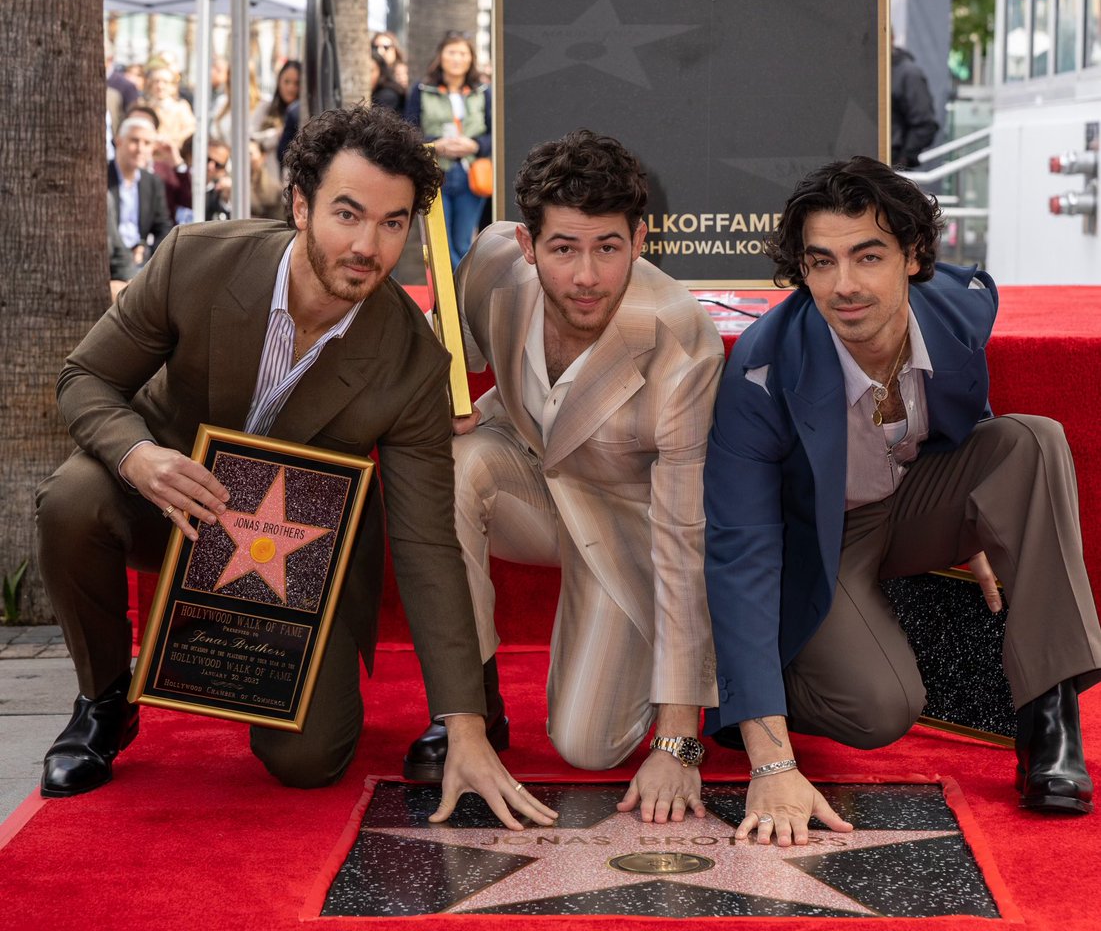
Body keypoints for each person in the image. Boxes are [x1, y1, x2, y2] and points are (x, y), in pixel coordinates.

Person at [35, 103, 557, 834]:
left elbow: (427, 543)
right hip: (172, 504)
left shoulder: (409, 362)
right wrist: (139, 455)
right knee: (72, 498)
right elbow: (84, 377)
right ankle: (104, 703)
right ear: (302, 205)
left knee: (309, 762)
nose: (367, 245)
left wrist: (463, 723)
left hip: (297, 558)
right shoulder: (196, 260)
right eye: (348, 214)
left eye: (392, 223)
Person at [704, 156, 1101, 847]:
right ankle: (755, 678)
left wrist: (981, 521)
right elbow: (739, 552)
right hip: (818, 544)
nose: (844, 285)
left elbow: (966, 421)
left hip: (911, 496)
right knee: (879, 710)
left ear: (913, 256)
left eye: (867, 256)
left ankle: (1047, 719)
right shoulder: (761, 372)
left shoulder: (959, 306)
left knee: (1030, 441)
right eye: (820, 262)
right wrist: (767, 752)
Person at [403, 129, 725, 823]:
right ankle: (470, 704)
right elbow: (444, 342)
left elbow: (680, 540)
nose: (586, 275)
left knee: (589, 749)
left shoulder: (680, 343)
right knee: (452, 467)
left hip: (622, 521)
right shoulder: (493, 260)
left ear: (640, 239)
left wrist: (677, 740)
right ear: (525, 245)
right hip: (519, 469)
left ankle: (708, 678)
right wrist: (438, 393)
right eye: (563, 248)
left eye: (607, 247)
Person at [406, 32, 491, 269]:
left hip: (470, 174)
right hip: (435, 173)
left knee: (463, 244)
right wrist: (436, 144)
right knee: (440, 245)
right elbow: (408, 132)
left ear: (470, 59)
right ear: (441, 56)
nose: (457, 58)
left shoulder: (482, 91)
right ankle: (448, 300)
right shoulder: (422, 90)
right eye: (451, 52)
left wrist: (475, 145)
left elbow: (495, 133)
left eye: (462, 53)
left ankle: (461, 300)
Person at [107, 114, 173, 264]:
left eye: (147, 143)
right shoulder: (102, 176)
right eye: (134, 141)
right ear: (119, 141)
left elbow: (163, 226)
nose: (140, 149)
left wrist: (148, 252)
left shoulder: (152, 181)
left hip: (142, 261)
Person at [891, 44, 939, 170]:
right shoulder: (866, 70)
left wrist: (901, 162)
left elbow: (925, 124)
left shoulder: (908, 74)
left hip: (890, 167)